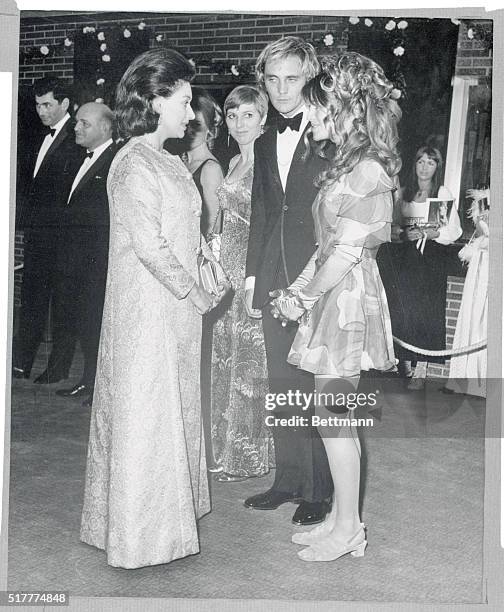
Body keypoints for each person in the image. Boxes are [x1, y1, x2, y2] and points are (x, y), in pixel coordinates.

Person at [80, 48, 228, 569]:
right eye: (184, 102)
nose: (191, 115)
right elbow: (148, 245)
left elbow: (179, 231)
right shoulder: (132, 162)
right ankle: (140, 534)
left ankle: (164, 522)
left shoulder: (164, 157)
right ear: (154, 99)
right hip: (149, 309)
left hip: (172, 310)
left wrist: (205, 264)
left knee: (170, 408)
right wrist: (195, 291)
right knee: (147, 413)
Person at [272, 51, 402, 561]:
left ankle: (349, 529)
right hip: (332, 290)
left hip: (346, 298)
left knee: (334, 417)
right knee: (332, 419)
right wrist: (297, 291)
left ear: (347, 108)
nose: (315, 118)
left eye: (322, 109)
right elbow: (325, 247)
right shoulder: (346, 165)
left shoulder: (369, 170)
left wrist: (303, 296)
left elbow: (347, 254)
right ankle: (339, 518)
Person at [244, 36, 333, 526]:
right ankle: (287, 480)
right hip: (275, 277)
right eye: (272, 79)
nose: (281, 90)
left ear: (310, 79)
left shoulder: (331, 137)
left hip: (319, 276)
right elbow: (263, 210)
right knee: (282, 383)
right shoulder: (261, 139)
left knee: (318, 385)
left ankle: (320, 490)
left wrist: (315, 283)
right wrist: (257, 280)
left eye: (292, 79)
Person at [210, 85, 273, 482]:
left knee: (251, 370)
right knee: (225, 364)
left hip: (251, 271)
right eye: (233, 116)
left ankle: (250, 457)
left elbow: (268, 226)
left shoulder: (267, 163)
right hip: (225, 275)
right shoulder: (233, 160)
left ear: (263, 118)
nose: (239, 123)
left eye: (248, 115)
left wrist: (258, 280)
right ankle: (225, 450)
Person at [13, 76, 83, 383]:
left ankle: (57, 369)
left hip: (62, 237)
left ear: (64, 104)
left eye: (47, 105)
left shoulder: (78, 136)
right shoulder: (37, 136)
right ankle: (20, 362)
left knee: (64, 304)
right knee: (31, 298)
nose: (41, 111)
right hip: (38, 235)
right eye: (38, 105)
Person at [378, 146, 462, 390]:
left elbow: (454, 230)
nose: (425, 167)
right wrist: (406, 233)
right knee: (403, 309)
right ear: (414, 165)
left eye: (431, 163)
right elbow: (391, 229)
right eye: (421, 162)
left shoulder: (441, 192)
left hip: (431, 260)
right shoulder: (404, 193)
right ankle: (403, 364)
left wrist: (434, 232)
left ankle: (422, 368)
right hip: (405, 258)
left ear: (437, 167)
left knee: (427, 311)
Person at [54, 102, 116, 407]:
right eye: (77, 123)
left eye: (84, 124)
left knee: (95, 327)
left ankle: (97, 388)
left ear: (105, 128)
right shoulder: (77, 158)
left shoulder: (114, 161)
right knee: (83, 325)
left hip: (96, 263)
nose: (76, 128)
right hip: (75, 261)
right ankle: (88, 381)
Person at [445, 188, 489, 397]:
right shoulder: (484, 200)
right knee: (474, 316)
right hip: (482, 265)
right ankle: (467, 379)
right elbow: (481, 231)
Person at [182, 87, 224, 240]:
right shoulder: (180, 161)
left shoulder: (210, 168)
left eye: (197, 124)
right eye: (187, 123)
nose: (189, 130)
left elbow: (215, 228)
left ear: (210, 129)